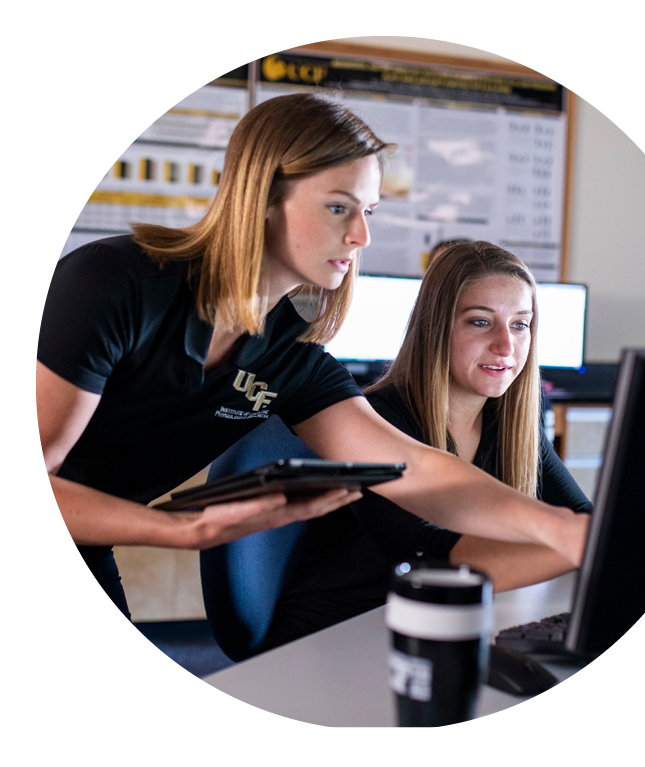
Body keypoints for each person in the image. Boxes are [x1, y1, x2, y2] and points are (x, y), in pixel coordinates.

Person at [35, 93, 587, 726]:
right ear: (262, 196)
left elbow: (415, 469)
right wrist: (177, 531)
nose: (363, 235)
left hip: (66, 559)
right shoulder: (113, 284)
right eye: (338, 207)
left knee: (114, 729)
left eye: (369, 211)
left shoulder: (287, 351)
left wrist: (562, 529)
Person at [253, 241, 592, 652]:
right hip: (337, 640)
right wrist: (589, 543)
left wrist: (592, 536)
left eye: (520, 324)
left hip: (439, 628)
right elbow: (433, 562)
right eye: (480, 323)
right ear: (437, 327)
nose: (506, 345)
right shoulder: (380, 421)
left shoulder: (513, 420)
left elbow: (580, 517)